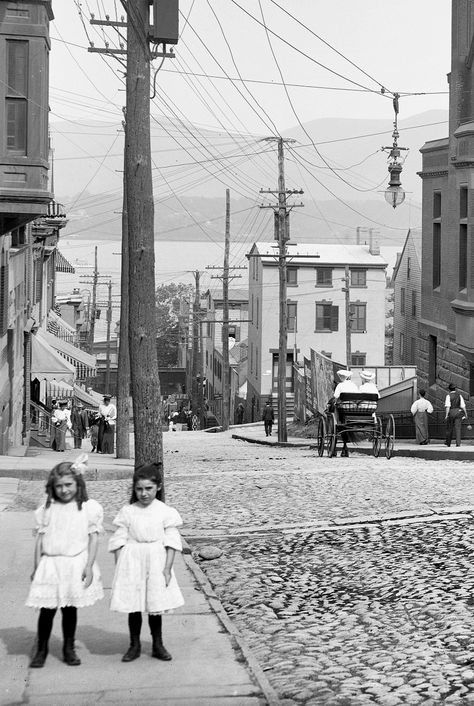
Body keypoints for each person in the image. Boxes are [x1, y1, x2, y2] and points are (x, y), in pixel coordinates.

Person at [26, 454, 104, 668]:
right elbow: (40, 540)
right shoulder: (47, 509)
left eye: (68, 485)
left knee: (70, 609)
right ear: (53, 487)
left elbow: (93, 538)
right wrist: (36, 567)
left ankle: (68, 647)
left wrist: (88, 566)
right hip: (51, 564)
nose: (64, 490)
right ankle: (41, 649)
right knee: (47, 609)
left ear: (78, 483)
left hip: (74, 563)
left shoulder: (87, 508)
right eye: (59, 486)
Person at [108, 462, 184, 662]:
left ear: (158, 487)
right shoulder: (128, 511)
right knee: (134, 605)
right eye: (139, 489)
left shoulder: (164, 511)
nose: (144, 494)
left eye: (149, 489)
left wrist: (167, 568)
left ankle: (157, 644)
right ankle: (134, 644)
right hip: (132, 560)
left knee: (155, 603)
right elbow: (119, 539)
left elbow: (172, 540)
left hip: (156, 560)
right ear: (134, 489)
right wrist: (120, 565)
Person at [333, 370, 358, 457]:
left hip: (343, 409)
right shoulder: (354, 385)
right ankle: (345, 447)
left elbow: (336, 396)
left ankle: (338, 447)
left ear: (341, 377)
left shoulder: (340, 385)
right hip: (354, 409)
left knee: (336, 409)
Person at [445, 382, 467, 447]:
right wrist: (466, 414)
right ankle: (458, 443)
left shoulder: (448, 396)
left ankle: (448, 443)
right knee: (458, 428)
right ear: (455, 389)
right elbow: (463, 406)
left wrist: (446, 415)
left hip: (451, 412)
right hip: (458, 412)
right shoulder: (459, 395)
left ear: (449, 389)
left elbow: (448, 406)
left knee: (450, 428)